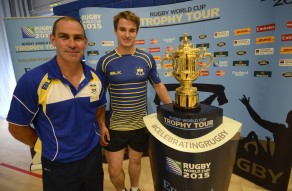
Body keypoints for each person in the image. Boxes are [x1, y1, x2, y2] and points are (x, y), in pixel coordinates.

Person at [6, 16, 107, 191]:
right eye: (64, 37)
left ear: (85, 42)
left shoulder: (96, 78)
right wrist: (44, 146)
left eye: (77, 38)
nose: (72, 44)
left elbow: (99, 105)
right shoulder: (32, 81)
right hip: (58, 165)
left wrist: (102, 124)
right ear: (53, 40)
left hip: (92, 158)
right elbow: (16, 127)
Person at [96, 11, 172, 191]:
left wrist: (172, 111)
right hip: (115, 126)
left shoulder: (146, 58)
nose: (127, 34)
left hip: (139, 125)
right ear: (115, 31)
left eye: (132, 30)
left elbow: (159, 87)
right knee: (114, 171)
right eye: (122, 29)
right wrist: (101, 125)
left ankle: (135, 189)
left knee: (136, 161)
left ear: (136, 32)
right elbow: (99, 96)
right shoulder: (105, 61)